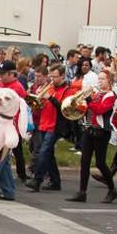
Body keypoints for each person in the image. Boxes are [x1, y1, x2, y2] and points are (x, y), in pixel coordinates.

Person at [67, 69, 117, 203]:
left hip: (102, 131)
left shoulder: (110, 95)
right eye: (99, 79)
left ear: (109, 81)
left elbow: (100, 110)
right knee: (84, 161)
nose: (100, 81)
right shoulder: (96, 94)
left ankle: (112, 190)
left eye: (103, 79)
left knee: (100, 163)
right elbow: (89, 108)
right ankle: (82, 192)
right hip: (90, 129)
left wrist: (89, 99)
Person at [0, 60, 26, 201]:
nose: (0, 77)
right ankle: (8, 191)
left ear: (11, 74)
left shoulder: (16, 89)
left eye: (3, 74)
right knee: (4, 161)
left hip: (8, 128)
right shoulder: (4, 85)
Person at [26, 63, 70, 192]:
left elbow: (64, 108)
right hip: (43, 123)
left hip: (55, 125)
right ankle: (55, 181)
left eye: (55, 77)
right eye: (51, 76)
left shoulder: (67, 91)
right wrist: (35, 99)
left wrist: (50, 98)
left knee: (44, 152)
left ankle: (37, 180)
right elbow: (40, 106)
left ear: (62, 76)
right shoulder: (49, 87)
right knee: (49, 154)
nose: (52, 79)